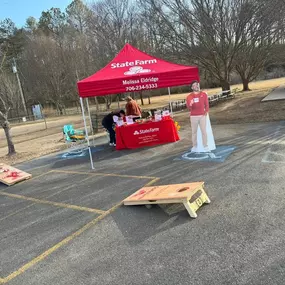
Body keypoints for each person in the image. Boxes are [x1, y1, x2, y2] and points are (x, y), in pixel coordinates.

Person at [186, 81, 210, 152]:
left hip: (202, 116)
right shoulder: (189, 97)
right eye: (194, 85)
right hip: (193, 117)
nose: (196, 86)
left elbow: (207, 105)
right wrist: (190, 104)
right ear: (192, 87)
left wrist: (206, 112)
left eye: (197, 84)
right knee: (194, 132)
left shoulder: (204, 94)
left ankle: (205, 146)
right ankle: (194, 146)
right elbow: (189, 108)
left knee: (204, 131)